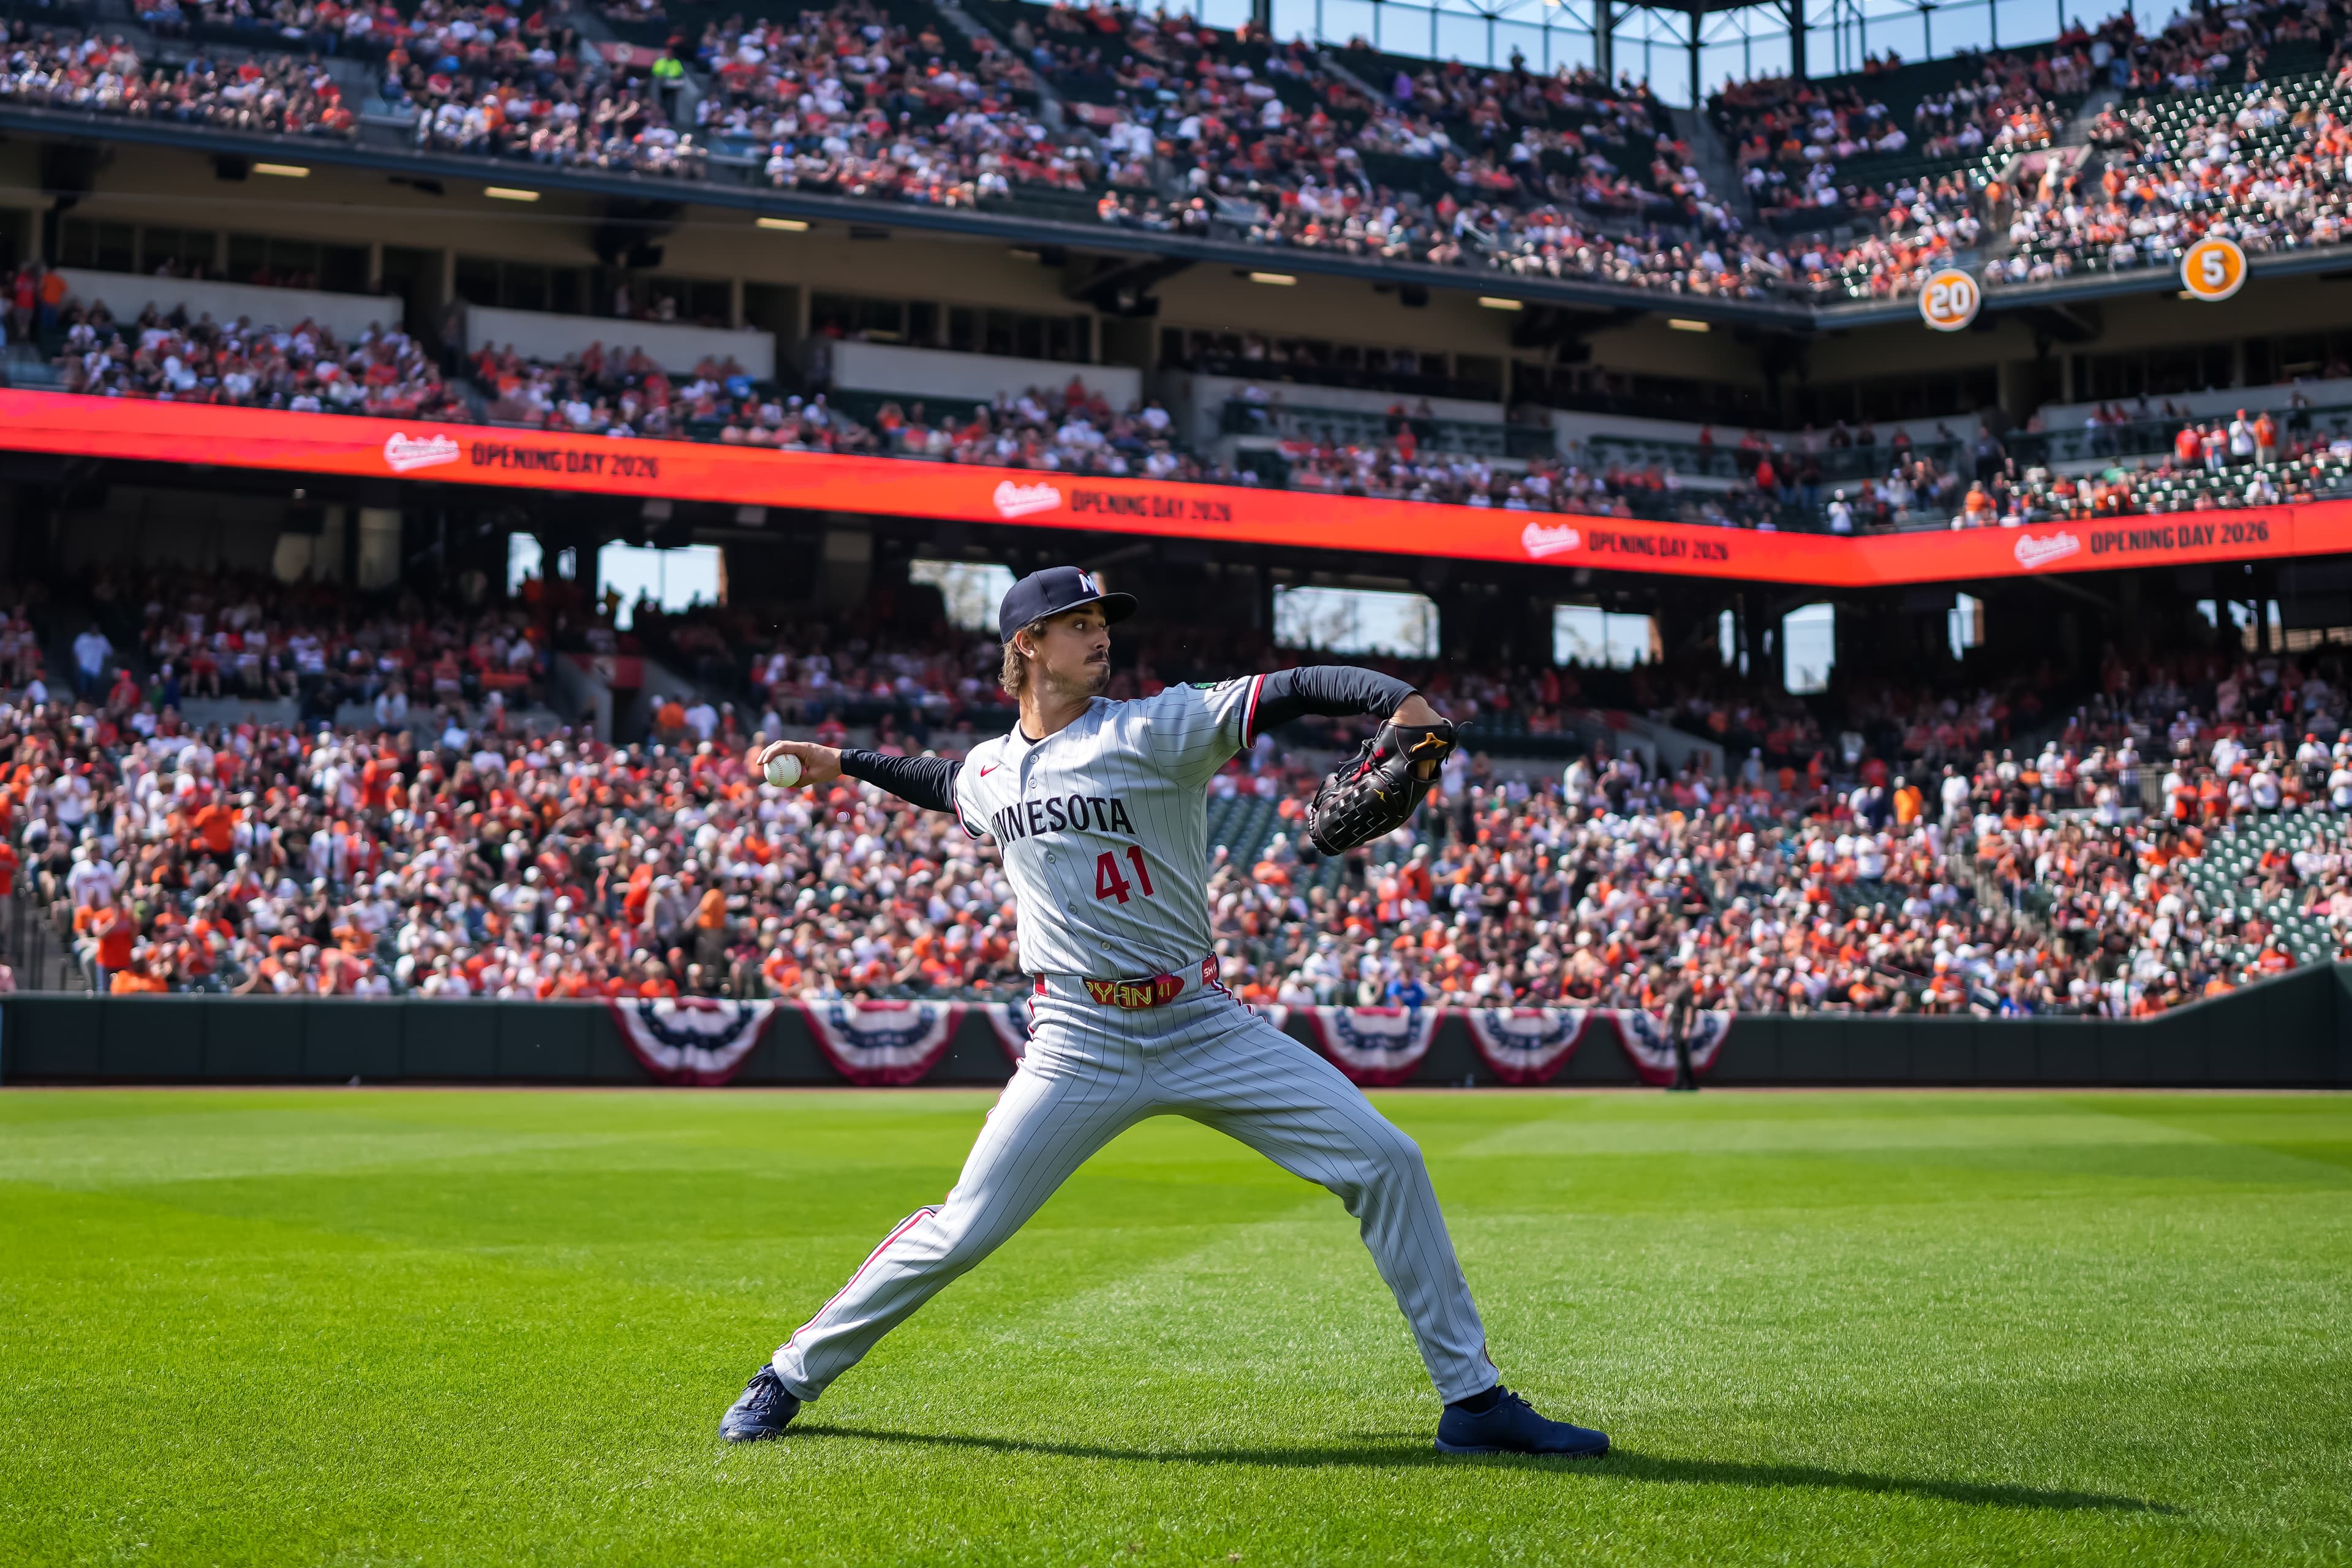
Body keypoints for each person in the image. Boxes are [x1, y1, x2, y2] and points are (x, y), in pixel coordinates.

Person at [722, 566, 1606, 1458]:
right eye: (1078, 622)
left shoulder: (1159, 725)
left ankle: (1476, 1404)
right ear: (1027, 645)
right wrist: (842, 763)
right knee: (962, 1227)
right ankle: (789, 1374)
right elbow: (940, 778)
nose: (1101, 633)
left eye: (1104, 619)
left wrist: (1402, 699)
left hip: (1201, 1020)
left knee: (1388, 1160)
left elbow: (1295, 689)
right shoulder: (992, 769)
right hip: (1077, 1040)